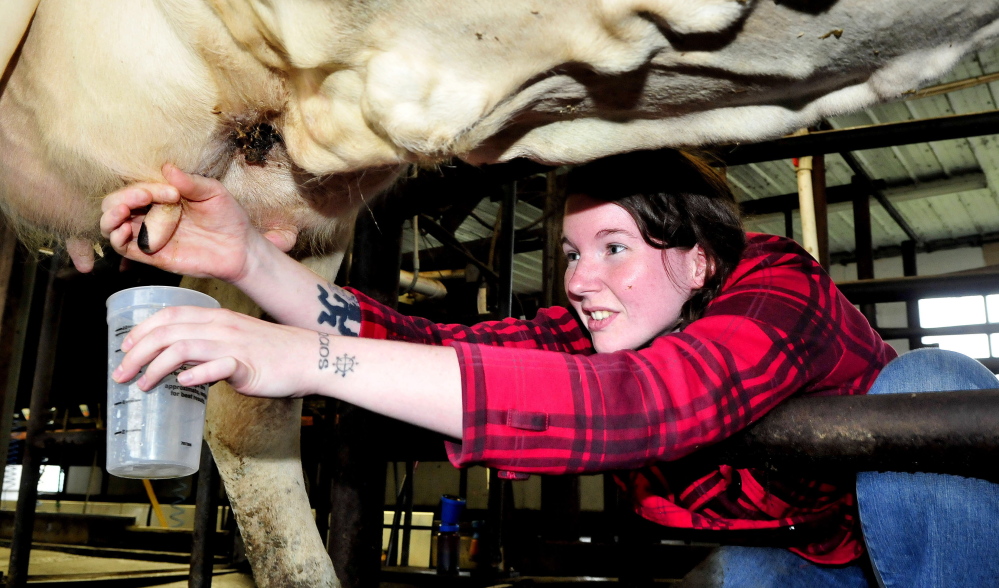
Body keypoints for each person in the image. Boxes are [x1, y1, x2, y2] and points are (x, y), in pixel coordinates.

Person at [102, 150, 999, 587]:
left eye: (613, 246)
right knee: (744, 574)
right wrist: (252, 263)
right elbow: (426, 352)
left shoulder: (777, 292)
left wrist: (308, 359)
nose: (582, 280)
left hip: (935, 558)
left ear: (696, 258)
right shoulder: (607, 322)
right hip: (806, 560)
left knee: (942, 383)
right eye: (570, 252)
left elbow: (644, 406)